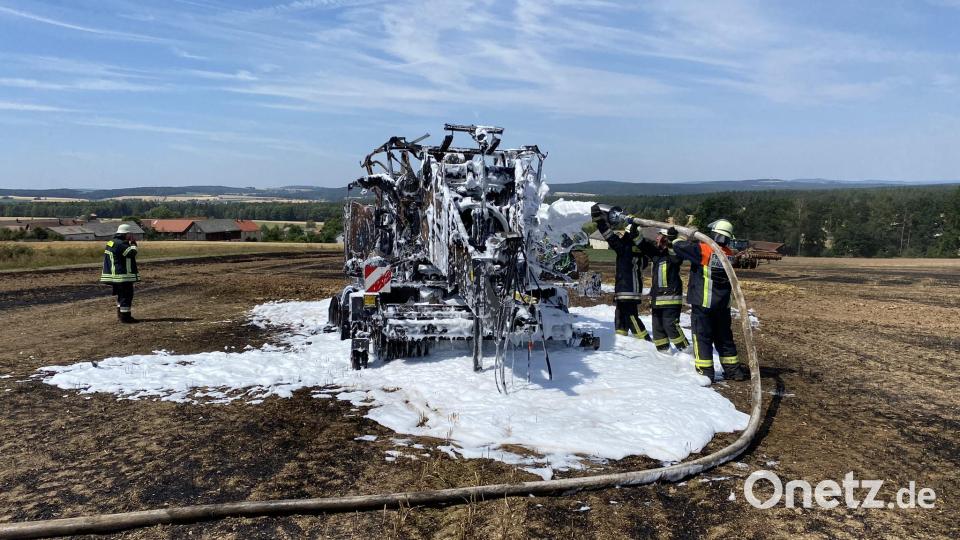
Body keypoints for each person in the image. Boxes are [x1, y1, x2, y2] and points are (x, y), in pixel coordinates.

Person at [670, 219, 748, 382]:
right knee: (724, 337)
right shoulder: (729, 254)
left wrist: (683, 236)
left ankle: (705, 372)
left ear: (714, 234)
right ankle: (734, 371)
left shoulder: (704, 250)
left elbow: (678, 246)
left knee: (702, 337)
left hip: (704, 303)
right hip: (723, 305)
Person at [592, 204, 651, 341]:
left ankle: (644, 340)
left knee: (630, 315)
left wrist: (599, 220)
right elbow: (644, 264)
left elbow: (609, 236)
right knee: (620, 314)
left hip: (626, 287)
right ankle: (622, 339)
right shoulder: (641, 249)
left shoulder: (624, 247)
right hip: (633, 287)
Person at [648, 228, 690, 353]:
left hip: (670, 297)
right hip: (657, 297)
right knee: (657, 326)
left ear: (666, 238)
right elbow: (641, 243)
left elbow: (675, 257)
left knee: (670, 325)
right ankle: (663, 353)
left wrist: (672, 240)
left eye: (659, 235)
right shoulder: (656, 253)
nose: (656, 238)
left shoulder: (674, 253)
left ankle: (686, 350)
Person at [100, 223, 140, 323]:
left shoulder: (111, 242)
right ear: (126, 234)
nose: (131, 236)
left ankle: (120, 315)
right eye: (130, 234)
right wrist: (133, 244)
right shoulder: (121, 244)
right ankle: (125, 318)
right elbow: (131, 253)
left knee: (121, 296)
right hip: (122, 275)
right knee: (126, 296)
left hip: (116, 276)